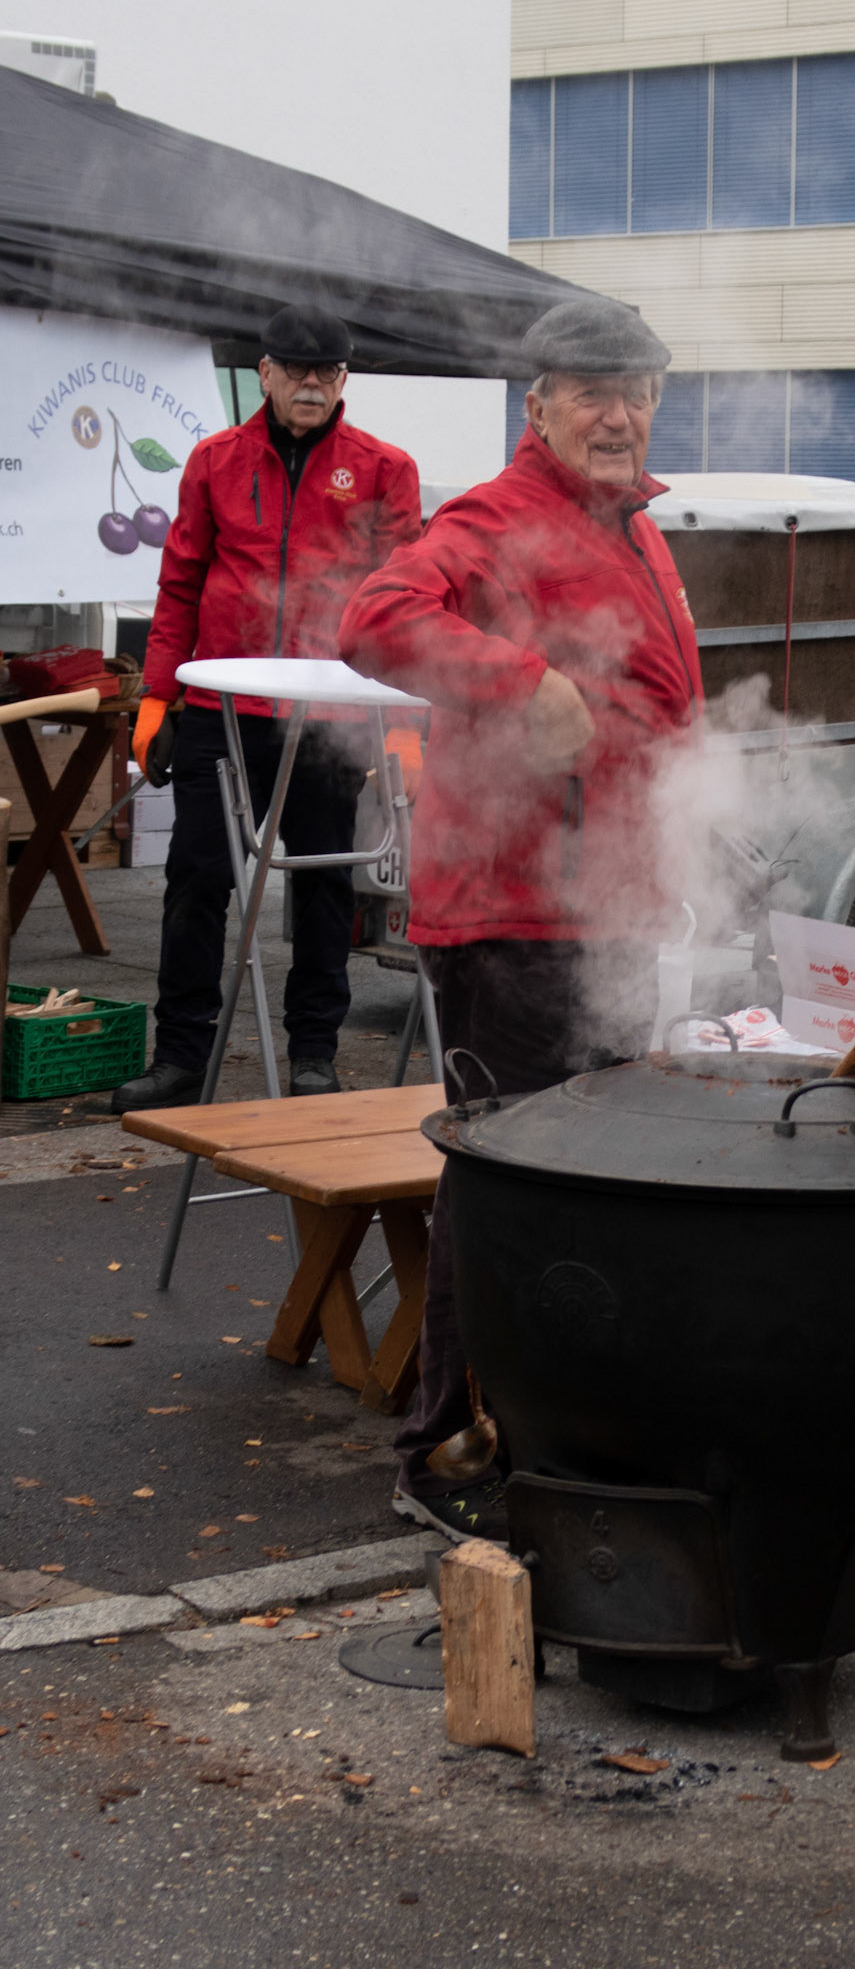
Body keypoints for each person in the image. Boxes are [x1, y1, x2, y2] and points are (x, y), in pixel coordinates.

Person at [339, 298, 702, 1543]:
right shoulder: (494, 519)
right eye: (590, 390)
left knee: (589, 1188)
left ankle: (558, 1434)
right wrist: (521, 676)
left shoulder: (634, 523)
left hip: (605, 906)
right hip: (511, 913)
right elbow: (373, 617)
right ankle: (444, 1446)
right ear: (535, 405)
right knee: (505, 1186)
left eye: (637, 387)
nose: (619, 412)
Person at [113, 305, 422, 1113]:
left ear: (345, 380)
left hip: (330, 712)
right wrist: (156, 695)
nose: (312, 385)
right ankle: (180, 1056)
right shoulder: (215, 459)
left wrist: (408, 726)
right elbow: (179, 583)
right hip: (220, 704)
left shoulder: (386, 469)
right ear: (268, 374)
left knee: (323, 886)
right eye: (298, 370)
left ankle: (314, 1054)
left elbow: (407, 604)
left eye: (329, 373)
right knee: (196, 879)